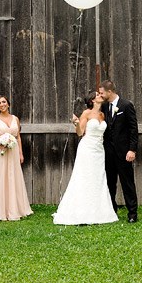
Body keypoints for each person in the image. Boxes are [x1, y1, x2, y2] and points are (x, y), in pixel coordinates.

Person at [54, 91, 118, 225]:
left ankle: (99, 212)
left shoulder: (102, 114)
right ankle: (80, 211)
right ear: (92, 100)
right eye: (97, 95)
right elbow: (80, 133)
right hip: (87, 149)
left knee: (98, 178)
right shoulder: (86, 113)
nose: (100, 95)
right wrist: (76, 123)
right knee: (84, 177)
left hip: (99, 151)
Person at [100, 80, 140, 223]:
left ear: (109, 92)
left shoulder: (126, 105)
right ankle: (112, 210)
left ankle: (132, 213)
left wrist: (132, 150)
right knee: (110, 183)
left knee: (127, 183)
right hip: (108, 152)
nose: (101, 95)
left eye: (102, 92)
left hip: (124, 152)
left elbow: (133, 129)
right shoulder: (104, 106)